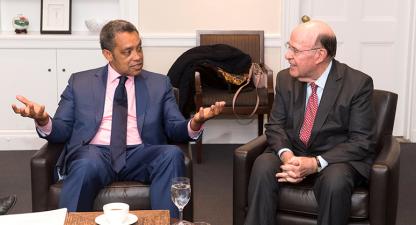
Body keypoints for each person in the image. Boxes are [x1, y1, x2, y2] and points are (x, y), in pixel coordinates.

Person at [12, 20, 225, 217]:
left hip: (141, 153)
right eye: (128, 51)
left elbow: (174, 127)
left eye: (139, 48)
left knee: (171, 155)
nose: (138, 56)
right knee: (85, 164)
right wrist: (42, 120)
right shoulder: (80, 82)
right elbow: (62, 130)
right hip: (95, 153)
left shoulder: (159, 84)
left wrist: (195, 122)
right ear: (108, 54)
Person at [245, 20, 375, 225]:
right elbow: (275, 126)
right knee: (263, 165)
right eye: (289, 48)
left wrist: (315, 163)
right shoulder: (285, 79)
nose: (288, 55)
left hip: (334, 159)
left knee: (335, 181)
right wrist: (287, 156)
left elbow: (361, 142)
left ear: (319, 55)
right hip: (295, 151)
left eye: (295, 50)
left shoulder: (357, 85)